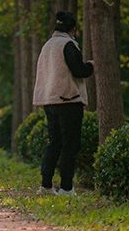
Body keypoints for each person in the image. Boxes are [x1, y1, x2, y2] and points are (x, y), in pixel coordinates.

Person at [32, 10, 94, 196]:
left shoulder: (47, 45)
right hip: (68, 100)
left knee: (55, 143)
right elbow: (78, 71)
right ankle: (66, 187)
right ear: (73, 29)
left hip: (50, 101)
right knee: (70, 144)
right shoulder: (68, 44)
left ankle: (46, 185)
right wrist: (91, 65)